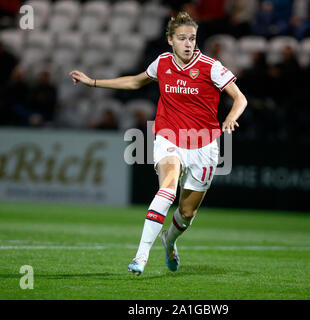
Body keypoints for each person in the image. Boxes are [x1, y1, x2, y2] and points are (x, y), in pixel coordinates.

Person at [69, 11, 247, 276]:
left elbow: (240, 98)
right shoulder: (162, 63)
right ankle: (140, 257)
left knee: (186, 213)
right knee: (168, 186)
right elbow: (134, 81)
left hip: (204, 144)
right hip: (168, 135)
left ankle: (170, 240)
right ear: (170, 40)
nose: (188, 43)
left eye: (192, 38)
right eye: (182, 38)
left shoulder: (211, 66)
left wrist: (231, 118)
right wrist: (93, 82)